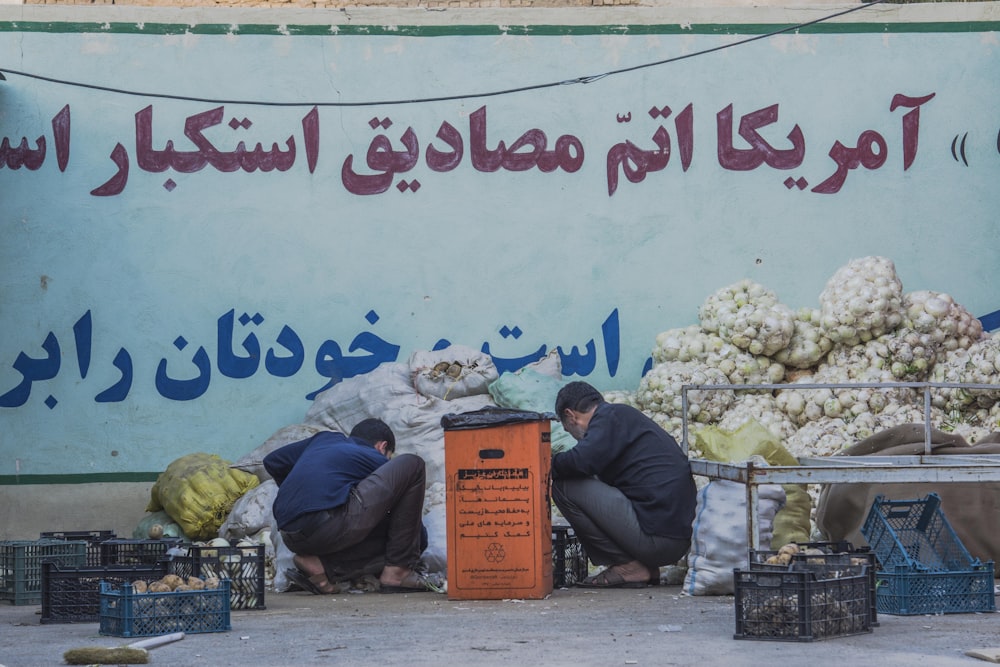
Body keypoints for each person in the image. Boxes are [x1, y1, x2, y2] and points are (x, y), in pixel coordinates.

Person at [551, 381, 696, 588]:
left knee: (564, 487)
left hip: (659, 539)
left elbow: (581, 460)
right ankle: (645, 567)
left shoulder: (608, 418)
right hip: (674, 538)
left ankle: (628, 567)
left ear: (571, 416)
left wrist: (546, 465)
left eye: (568, 430)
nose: (573, 437)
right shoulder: (621, 417)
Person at [264, 418, 433, 594]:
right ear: (382, 447)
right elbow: (410, 528)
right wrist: (415, 544)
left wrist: (302, 495)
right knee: (413, 464)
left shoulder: (323, 440)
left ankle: (322, 567)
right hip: (327, 526)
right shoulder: (374, 457)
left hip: (288, 533)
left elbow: (273, 461)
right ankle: (398, 573)